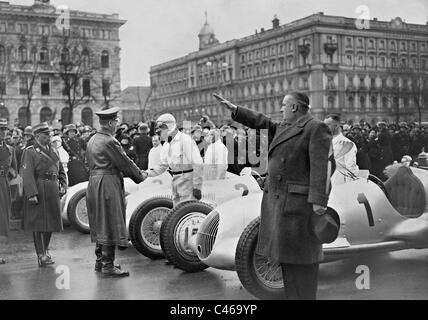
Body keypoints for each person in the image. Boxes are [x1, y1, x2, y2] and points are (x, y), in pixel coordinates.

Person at [215, 91, 334, 300]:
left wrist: (319, 201)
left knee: (304, 268)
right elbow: (263, 122)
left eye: (284, 105)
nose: (281, 109)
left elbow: (322, 167)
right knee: (288, 266)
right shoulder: (285, 128)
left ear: (295, 107)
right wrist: (236, 110)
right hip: (282, 208)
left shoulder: (315, 128)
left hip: (299, 209)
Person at [86, 107, 146, 277]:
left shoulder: (93, 139)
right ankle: (107, 265)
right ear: (111, 123)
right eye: (116, 122)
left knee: (100, 221)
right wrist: (141, 175)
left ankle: (100, 262)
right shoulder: (109, 141)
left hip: (94, 182)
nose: (117, 125)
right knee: (110, 221)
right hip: (107, 183)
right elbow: (125, 163)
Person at [21, 122, 67, 267]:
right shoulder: (30, 151)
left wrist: (63, 184)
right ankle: (41, 255)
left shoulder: (54, 150)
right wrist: (32, 194)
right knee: (39, 224)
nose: (49, 136)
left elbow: (60, 171)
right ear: (37, 136)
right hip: (39, 188)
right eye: (46, 134)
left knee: (51, 222)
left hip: (52, 189)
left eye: (49, 134)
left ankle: (46, 251)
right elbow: (27, 174)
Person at [145, 113, 203, 206]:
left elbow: (198, 164)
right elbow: (163, 165)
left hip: (187, 180)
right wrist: (147, 173)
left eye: (161, 130)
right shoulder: (167, 144)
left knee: (187, 210)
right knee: (177, 211)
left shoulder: (185, 140)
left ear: (169, 127)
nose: (160, 134)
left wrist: (197, 187)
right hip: (175, 179)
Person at [0, 119, 17, 265]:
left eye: (4, 129)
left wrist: (14, 189)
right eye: (0, 129)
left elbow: (14, 171)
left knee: (2, 220)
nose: (2, 132)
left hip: (3, 187)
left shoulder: (10, 150)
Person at [324, 114, 359, 184]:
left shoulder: (347, 144)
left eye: (327, 125)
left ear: (336, 126)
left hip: (338, 183)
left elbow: (351, 169)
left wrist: (348, 187)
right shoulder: (323, 142)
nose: (324, 128)